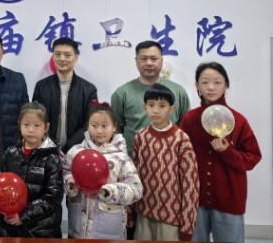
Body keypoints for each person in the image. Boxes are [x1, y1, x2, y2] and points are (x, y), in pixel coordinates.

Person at [180, 62, 261, 243]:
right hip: (194, 199)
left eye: (217, 82)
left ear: (226, 85)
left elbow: (253, 158)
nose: (211, 87)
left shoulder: (238, 120)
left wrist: (227, 152)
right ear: (197, 85)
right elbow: (180, 157)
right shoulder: (189, 119)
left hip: (229, 199)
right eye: (205, 82)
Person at [64, 101, 143, 239]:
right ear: (87, 126)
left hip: (109, 231)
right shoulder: (76, 152)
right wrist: (70, 183)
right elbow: (65, 171)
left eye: (104, 126)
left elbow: (137, 189)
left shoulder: (121, 158)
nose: (99, 131)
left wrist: (111, 191)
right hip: (78, 230)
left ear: (114, 127)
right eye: (94, 126)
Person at [133, 84, 199, 241]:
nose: (156, 110)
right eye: (151, 105)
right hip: (143, 213)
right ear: (144, 107)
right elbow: (132, 178)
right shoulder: (140, 137)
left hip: (171, 216)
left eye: (162, 106)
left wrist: (187, 226)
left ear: (171, 109)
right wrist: (130, 215)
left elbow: (190, 184)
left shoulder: (181, 139)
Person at [0, 102, 63, 239]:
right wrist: (5, 212)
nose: (31, 130)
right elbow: (0, 189)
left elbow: (52, 198)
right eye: (26, 125)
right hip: (10, 229)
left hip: (41, 231)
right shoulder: (10, 153)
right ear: (19, 125)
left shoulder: (52, 158)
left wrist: (23, 215)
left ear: (46, 127)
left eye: (36, 125)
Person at [111, 40, 190, 155]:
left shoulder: (178, 92)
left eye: (154, 58)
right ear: (136, 61)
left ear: (161, 60)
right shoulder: (122, 93)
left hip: (171, 158)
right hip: (133, 161)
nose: (149, 63)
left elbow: (185, 127)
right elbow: (116, 128)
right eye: (143, 59)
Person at [32, 37, 97, 154]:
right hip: (46, 150)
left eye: (67, 55)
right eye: (57, 54)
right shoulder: (41, 87)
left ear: (76, 57)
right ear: (53, 57)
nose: (62, 59)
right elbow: (36, 120)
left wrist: (68, 147)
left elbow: (89, 124)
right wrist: (53, 146)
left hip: (78, 150)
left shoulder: (88, 89)